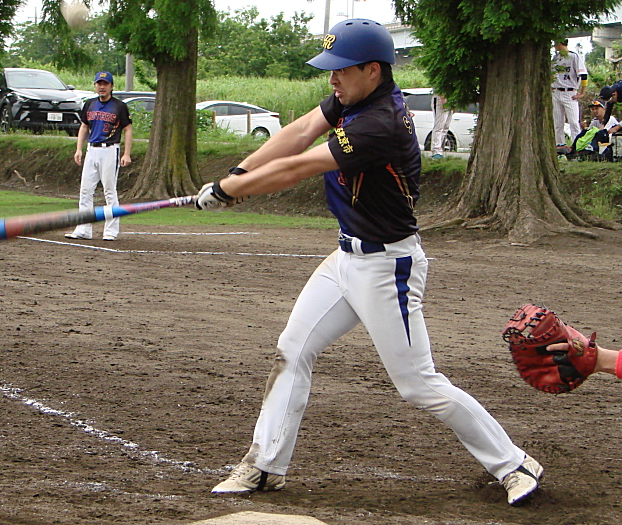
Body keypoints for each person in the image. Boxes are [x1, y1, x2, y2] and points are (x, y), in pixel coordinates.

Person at [196, 19, 542, 506]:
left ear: (373, 70)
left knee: (418, 384)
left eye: (342, 69)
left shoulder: (380, 123)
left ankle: (514, 463)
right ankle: (265, 466)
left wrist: (232, 191)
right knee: (293, 349)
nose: (332, 78)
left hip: (388, 268)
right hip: (345, 258)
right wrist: (237, 174)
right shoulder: (351, 100)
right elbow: (299, 132)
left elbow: (299, 166)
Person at [65, 71, 132, 241]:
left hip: (110, 149)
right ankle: (83, 229)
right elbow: (84, 126)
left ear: (111, 86)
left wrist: (126, 153)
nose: (102, 87)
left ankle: (111, 231)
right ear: (95, 85)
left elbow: (127, 129)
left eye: (105, 84)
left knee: (109, 190)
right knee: (85, 191)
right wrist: (79, 149)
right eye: (99, 83)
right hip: (92, 149)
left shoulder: (119, 106)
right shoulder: (90, 104)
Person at [551, 39, 588, 154]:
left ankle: (577, 146)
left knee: (573, 122)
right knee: (558, 122)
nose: (555, 46)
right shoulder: (556, 58)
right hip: (556, 91)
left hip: (570, 92)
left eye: (556, 43)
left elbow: (583, 74)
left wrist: (582, 92)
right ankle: (560, 145)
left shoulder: (573, 57)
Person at [430, 93, 453, 159]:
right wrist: (443, 98)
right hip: (440, 100)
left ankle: (440, 150)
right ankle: (436, 151)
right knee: (439, 127)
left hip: (451, 100)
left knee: (445, 127)